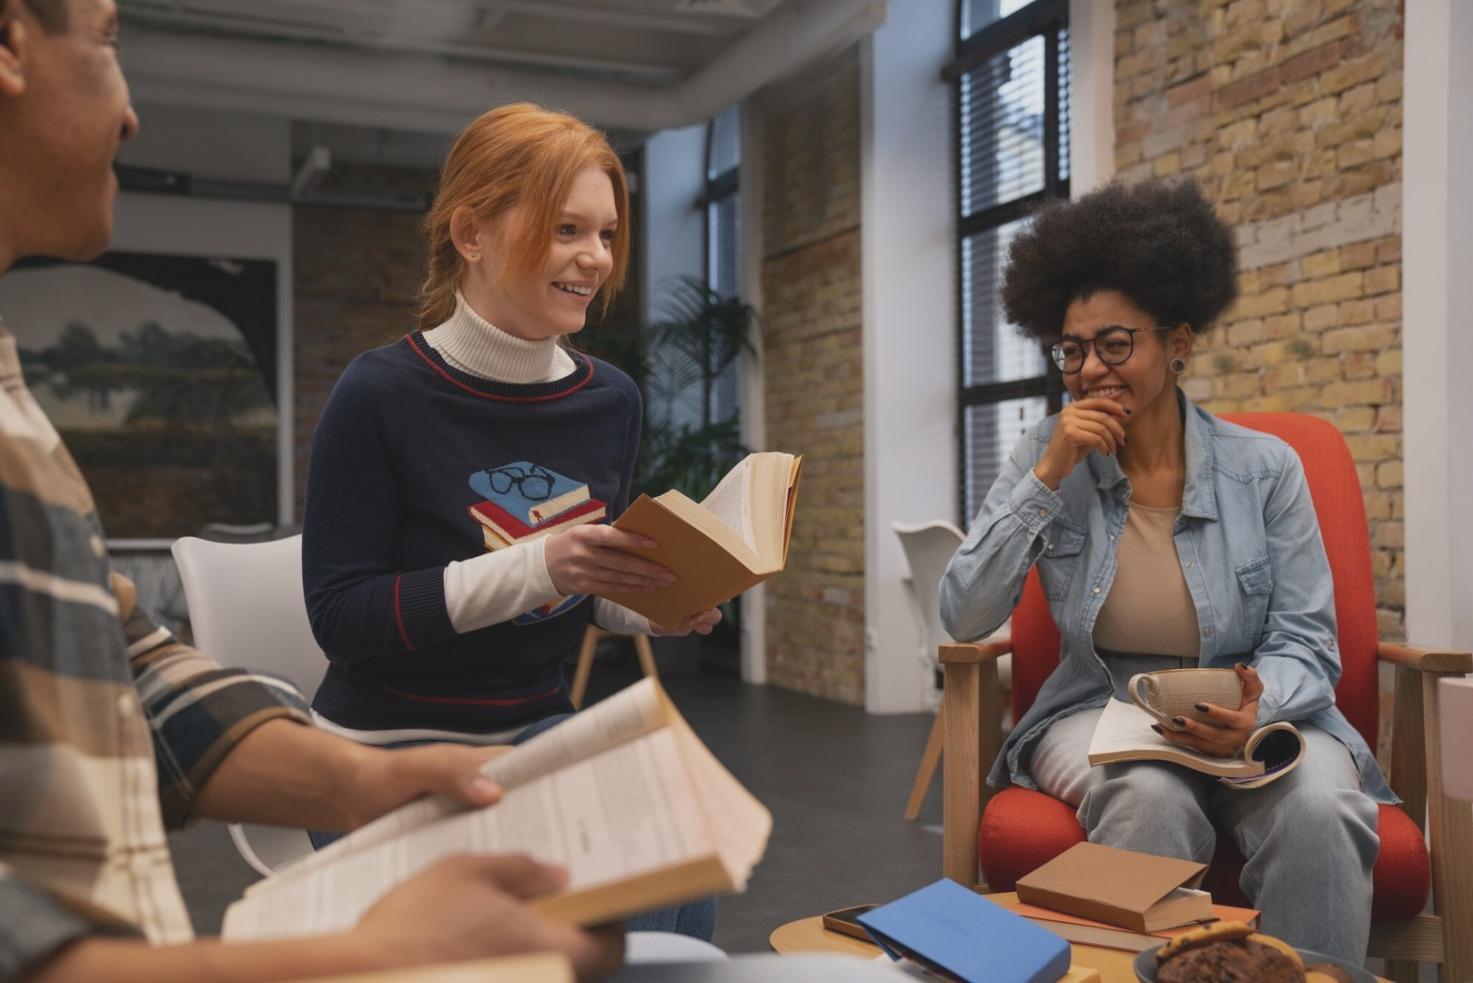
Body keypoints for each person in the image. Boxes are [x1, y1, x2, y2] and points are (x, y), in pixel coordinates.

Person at [0, 1, 622, 979]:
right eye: (112, 36)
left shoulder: (14, 415)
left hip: (499, 739)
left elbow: (125, 663)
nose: (132, 113)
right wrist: (361, 952)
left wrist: (364, 782)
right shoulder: (381, 390)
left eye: (605, 234)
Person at [299, 102, 721, 939]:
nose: (594, 259)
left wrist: (656, 600)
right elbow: (341, 617)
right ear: (470, 233)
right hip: (383, 746)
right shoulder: (379, 393)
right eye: (566, 229)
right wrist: (546, 564)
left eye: (605, 233)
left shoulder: (610, 399)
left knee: (683, 862)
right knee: (593, 909)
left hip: (531, 730)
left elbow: (581, 585)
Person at [939, 179, 1387, 963]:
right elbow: (962, 613)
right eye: (1071, 350)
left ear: (1177, 342)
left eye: (1116, 344)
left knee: (1318, 804)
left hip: (1259, 710)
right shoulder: (1046, 455)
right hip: (1099, 710)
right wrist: (1046, 476)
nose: (1090, 370)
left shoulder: (1265, 469)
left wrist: (1260, 703)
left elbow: (1307, 640)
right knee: (1146, 790)